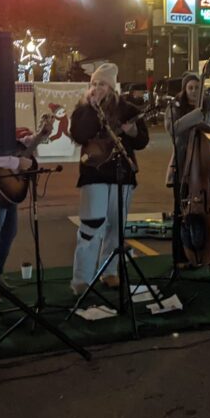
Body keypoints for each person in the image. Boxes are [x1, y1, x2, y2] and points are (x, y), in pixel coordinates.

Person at [68, 62, 149, 294]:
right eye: (93, 83)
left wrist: (132, 131)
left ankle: (110, 271)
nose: (96, 88)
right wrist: (92, 109)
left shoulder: (128, 109)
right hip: (94, 174)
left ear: (112, 87)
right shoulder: (83, 108)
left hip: (122, 173)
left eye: (102, 84)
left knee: (117, 228)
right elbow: (79, 134)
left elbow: (142, 140)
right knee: (91, 225)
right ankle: (81, 279)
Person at [0, 118, 53, 303]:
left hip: (6, 186)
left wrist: (37, 137)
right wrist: (16, 163)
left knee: (8, 233)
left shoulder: (2, 119)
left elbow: (16, 144)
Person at [165, 71, 210, 265]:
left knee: (202, 214)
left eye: (197, 87)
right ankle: (179, 255)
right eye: (190, 87)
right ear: (184, 89)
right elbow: (173, 129)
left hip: (201, 167)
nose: (194, 91)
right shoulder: (175, 106)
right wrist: (194, 117)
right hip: (183, 165)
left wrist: (206, 126)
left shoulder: (207, 107)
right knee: (180, 212)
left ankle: (202, 253)